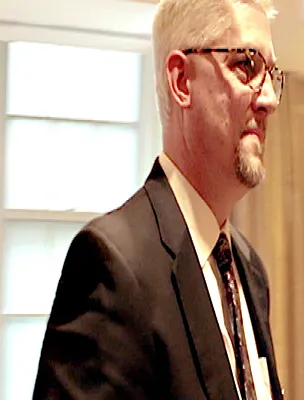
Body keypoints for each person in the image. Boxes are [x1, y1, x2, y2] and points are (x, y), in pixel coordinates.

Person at [32, 0, 284, 398]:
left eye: (271, 74)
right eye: (246, 66)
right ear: (182, 81)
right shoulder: (112, 264)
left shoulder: (249, 269)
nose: (269, 99)